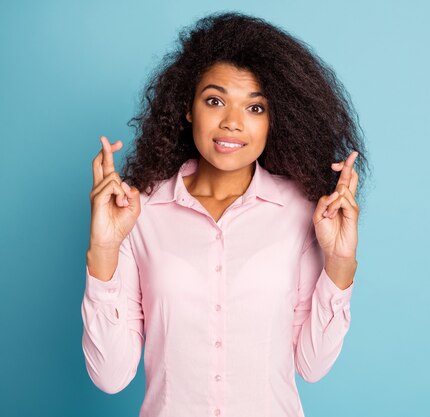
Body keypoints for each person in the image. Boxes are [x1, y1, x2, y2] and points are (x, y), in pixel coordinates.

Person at [81, 11, 369, 417]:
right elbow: (110, 377)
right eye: (215, 101)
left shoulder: (303, 214)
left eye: (255, 108)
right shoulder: (137, 213)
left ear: (275, 120)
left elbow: (312, 365)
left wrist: (339, 264)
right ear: (187, 108)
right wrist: (104, 249)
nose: (232, 123)